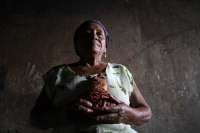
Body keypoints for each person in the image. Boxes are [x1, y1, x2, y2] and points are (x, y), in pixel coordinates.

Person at [29, 20, 152, 133]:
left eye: (99, 34)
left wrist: (130, 114)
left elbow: (146, 112)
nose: (94, 36)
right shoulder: (57, 74)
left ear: (105, 48)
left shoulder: (121, 71)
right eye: (86, 34)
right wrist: (60, 114)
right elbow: (35, 119)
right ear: (76, 45)